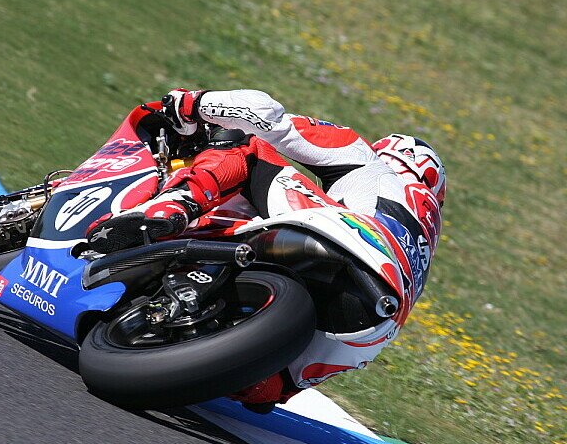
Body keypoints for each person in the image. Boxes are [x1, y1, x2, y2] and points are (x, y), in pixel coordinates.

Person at [86, 88, 446, 411]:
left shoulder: (380, 170)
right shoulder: (423, 245)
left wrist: (193, 104)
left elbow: (271, 120)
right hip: (370, 325)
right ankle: (250, 375)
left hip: (344, 245)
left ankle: (170, 208)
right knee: (268, 391)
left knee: (247, 147)